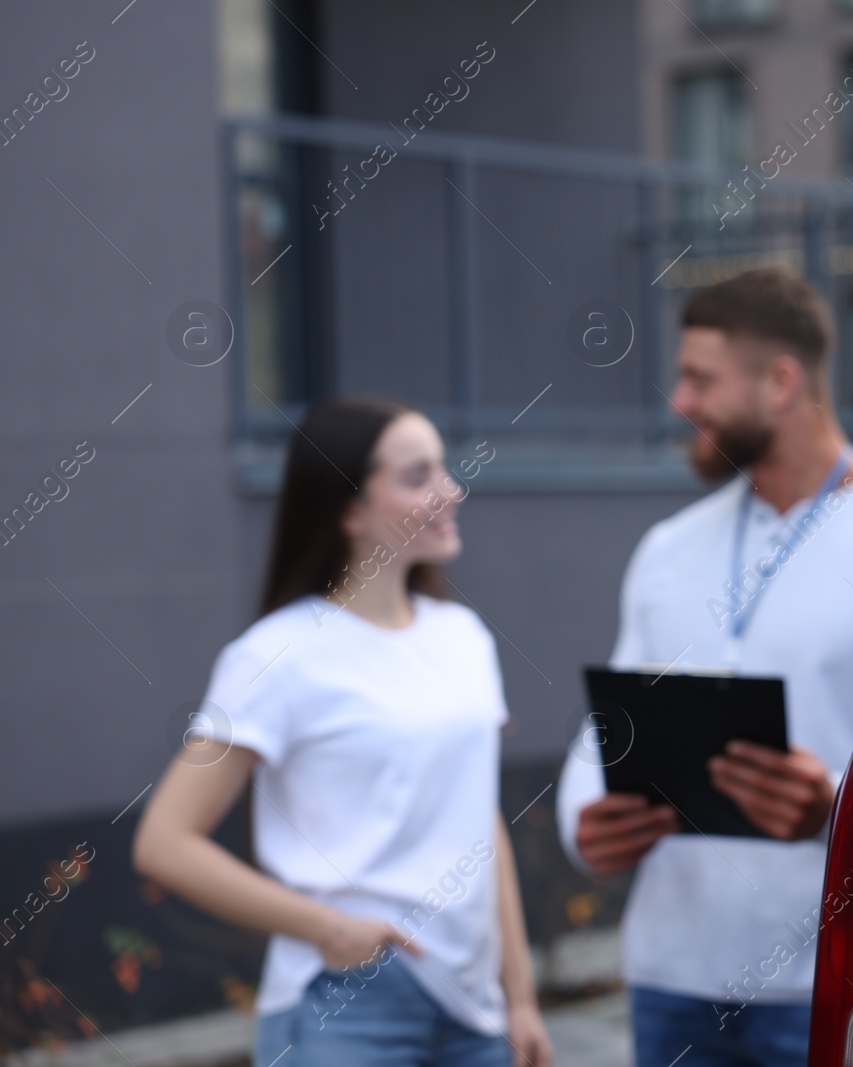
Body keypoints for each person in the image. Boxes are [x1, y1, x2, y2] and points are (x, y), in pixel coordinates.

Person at [131, 398, 554, 1067]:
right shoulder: (277, 654)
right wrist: (327, 928)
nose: (451, 490)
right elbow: (164, 842)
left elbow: (479, 821)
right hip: (346, 1002)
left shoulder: (462, 636)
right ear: (349, 509)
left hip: (474, 1012)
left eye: (443, 468)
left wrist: (520, 997)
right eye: (419, 476)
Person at [554, 268, 853, 1066]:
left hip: (830, 978)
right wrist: (586, 825)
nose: (679, 401)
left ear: (781, 382)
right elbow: (607, 724)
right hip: (671, 974)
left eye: (699, 379)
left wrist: (835, 808)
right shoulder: (669, 547)